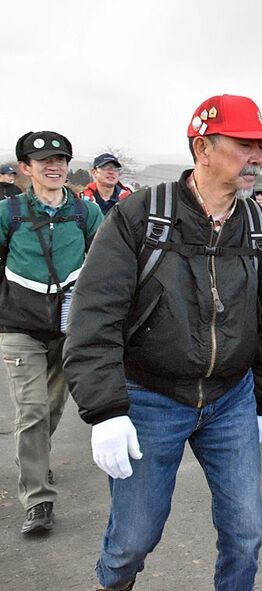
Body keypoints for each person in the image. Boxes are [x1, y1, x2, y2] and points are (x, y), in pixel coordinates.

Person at [63, 94, 262, 591]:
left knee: (245, 534)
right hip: (150, 398)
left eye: (261, 146)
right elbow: (94, 316)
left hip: (231, 400)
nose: (257, 156)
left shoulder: (260, 228)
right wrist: (105, 409)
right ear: (202, 147)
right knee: (133, 540)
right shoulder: (143, 215)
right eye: (245, 144)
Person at [0, 131, 103, 534]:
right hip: (18, 327)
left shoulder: (85, 213)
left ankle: (36, 460)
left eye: (60, 159)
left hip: (67, 328)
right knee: (32, 409)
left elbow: (105, 265)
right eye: (44, 161)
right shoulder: (9, 213)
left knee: (53, 408)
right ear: (26, 169)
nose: (54, 166)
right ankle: (38, 500)